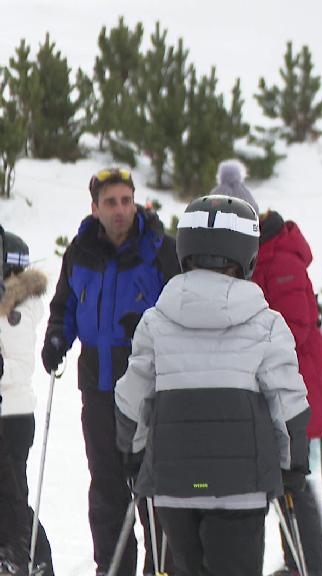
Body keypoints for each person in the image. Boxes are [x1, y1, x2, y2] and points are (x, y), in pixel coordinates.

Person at [114, 194, 311, 575]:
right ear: (247, 252)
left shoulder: (156, 322)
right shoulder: (265, 324)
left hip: (175, 486)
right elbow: (288, 403)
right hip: (242, 488)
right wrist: (292, 465)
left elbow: (130, 398)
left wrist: (134, 452)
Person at [41, 167, 179, 576]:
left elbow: (181, 307)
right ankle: (113, 567)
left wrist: (150, 330)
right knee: (106, 486)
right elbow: (64, 308)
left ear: (135, 202)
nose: (120, 210)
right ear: (95, 208)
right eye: (111, 202)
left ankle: (162, 568)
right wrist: (55, 339)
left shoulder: (159, 248)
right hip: (99, 389)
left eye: (126, 200)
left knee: (153, 486)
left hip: (151, 391)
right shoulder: (80, 252)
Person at [210, 159, 322, 576]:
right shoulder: (252, 260)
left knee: (291, 480)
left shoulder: (280, 259)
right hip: (270, 389)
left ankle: (309, 562)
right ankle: (296, 560)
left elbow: (293, 330)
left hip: (293, 390)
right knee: (276, 480)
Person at [0, 231, 53, 575]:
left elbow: (16, 368)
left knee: (11, 500)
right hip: (11, 413)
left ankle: (30, 558)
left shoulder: (15, 308)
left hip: (11, 415)